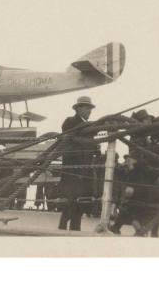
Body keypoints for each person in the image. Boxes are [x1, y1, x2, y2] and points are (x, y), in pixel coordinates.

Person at [58, 96, 101, 231]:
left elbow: (90, 143)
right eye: (87, 108)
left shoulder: (90, 126)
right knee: (70, 202)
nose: (90, 111)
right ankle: (63, 228)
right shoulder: (70, 122)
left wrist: (96, 148)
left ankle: (75, 229)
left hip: (85, 169)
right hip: (73, 169)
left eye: (90, 109)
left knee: (82, 202)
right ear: (79, 108)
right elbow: (70, 139)